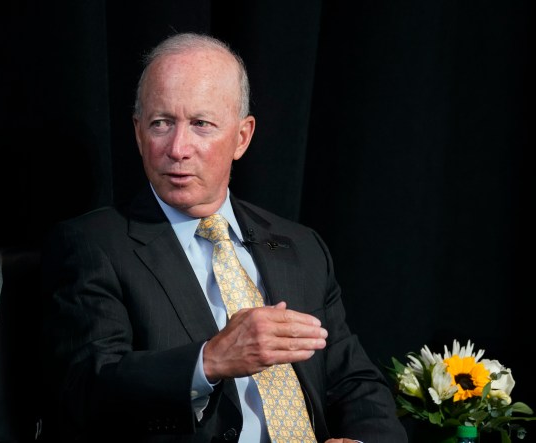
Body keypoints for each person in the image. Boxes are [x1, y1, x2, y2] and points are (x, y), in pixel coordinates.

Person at [40, 32, 408, 443]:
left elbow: (355, 383)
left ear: (242, 137)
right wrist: (209, 361)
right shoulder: (95, 244)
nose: (178, 148)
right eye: (161, 123)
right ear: (138, 132)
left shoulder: (301, 247)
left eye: (201, 124)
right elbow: (86, 391)